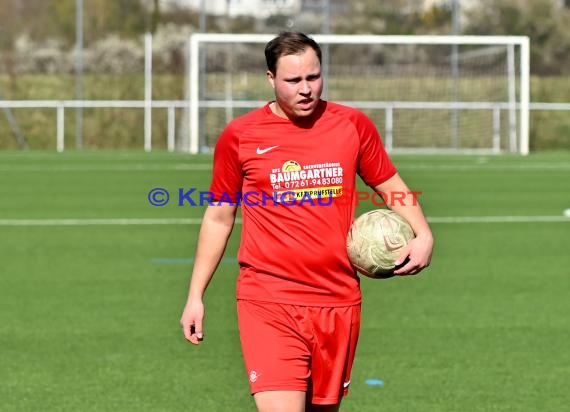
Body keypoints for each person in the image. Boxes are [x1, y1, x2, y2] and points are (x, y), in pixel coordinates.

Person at [180, 31, 434, 412]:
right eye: (293, 80)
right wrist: (195, 295)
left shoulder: (352, 125)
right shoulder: (241, 136)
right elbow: (219, 217)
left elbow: (390, 185)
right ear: (270, 79)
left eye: (313, 77)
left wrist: (424, 235)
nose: (305, 89)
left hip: (337, 301)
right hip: (268, 299)